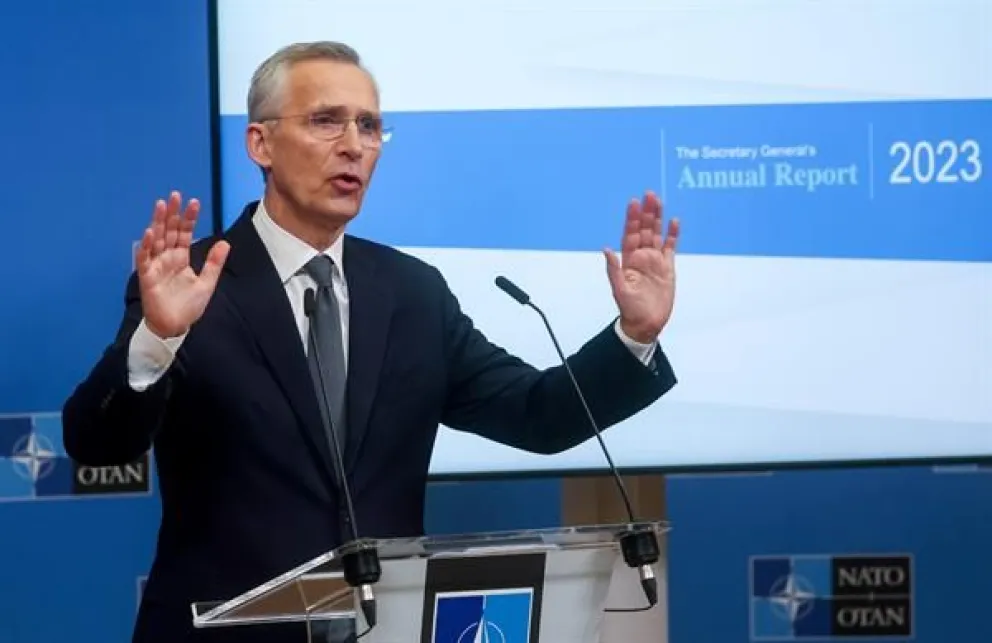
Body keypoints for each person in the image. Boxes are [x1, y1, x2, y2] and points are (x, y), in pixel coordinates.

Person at [62, 41, 680, 643]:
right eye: (326, 121)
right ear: (261, 143)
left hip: (382, 628)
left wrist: (635, 335)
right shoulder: (194, 285)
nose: (353, 146)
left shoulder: (412, 293)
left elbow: (539, 415)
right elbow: (97, 441)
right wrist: (158, 337)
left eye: (369, 125)